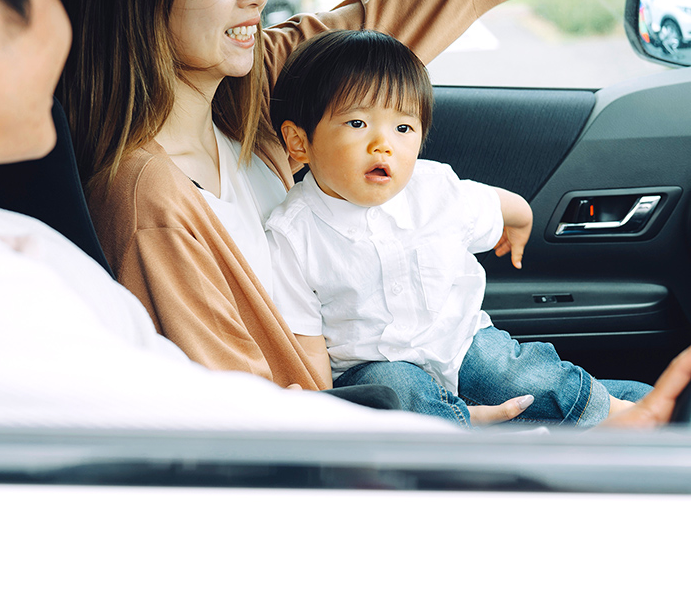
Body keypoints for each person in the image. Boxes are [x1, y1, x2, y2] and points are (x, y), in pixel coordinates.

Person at [0, 0, 690, 437]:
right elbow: (235, 407)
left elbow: (391, 15)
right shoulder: (149, 202)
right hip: (360, 424)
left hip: (413, 385)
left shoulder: (253, 81)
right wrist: (450, 429)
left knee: (644, 410)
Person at [265, 29, 652, 428]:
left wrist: (520, 219)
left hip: (459, 342)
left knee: (511, 371)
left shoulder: (434, 190)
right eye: (358, 122)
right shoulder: (292, 236)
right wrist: (320, 411)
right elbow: (305, 343)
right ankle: (463, 425)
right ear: (299, 143)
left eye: (403, 129)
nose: (384, 144)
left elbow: (495, 204)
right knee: (394, 390)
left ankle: (609, 412)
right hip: (369, 364)